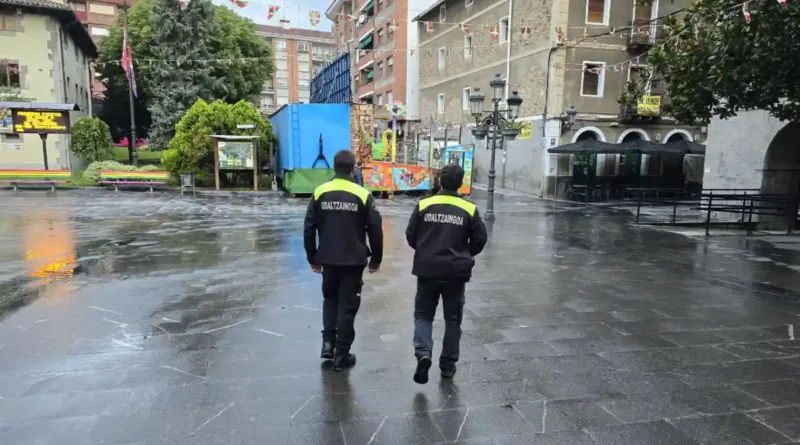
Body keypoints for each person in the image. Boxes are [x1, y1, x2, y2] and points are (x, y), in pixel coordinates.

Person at [405, 163, 488, 384]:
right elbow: (480, 239)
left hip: (427, 269)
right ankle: (448, 365)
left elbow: (411, 235)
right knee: (453, 320)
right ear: (460, 183)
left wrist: (426, 250)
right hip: (455, 272)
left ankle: (423, 354)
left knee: (423, 315)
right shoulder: (469, 208)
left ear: (440, 180)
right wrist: (463, 253)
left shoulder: (424, 204)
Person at [304, 150, 383, 371]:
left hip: (328, 259)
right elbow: (376, 229)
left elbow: (309, 227)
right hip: (352, 261)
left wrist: (312, 257)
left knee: (330, 299)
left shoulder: (320, 192)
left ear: (334, 168)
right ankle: (342, 354)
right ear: (352, 168)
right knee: (347, 307)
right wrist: (376, 259)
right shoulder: (362, 194)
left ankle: (328, 344)